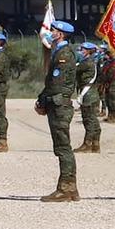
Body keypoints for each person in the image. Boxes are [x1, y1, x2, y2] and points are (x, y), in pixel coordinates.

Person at [36, 19, 80, 201]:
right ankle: (68, 188)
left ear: (60, 34)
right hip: (55, 103)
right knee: (61, 147)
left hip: (59, 105)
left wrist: (44, 101)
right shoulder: (58, 52)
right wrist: (42, 99)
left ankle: (67, 188)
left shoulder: (64, 54)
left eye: (52, 30)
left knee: (63, 148)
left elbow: (56, 84)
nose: (49, 32)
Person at [75, 42, 105, 153]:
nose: (81, 51)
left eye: (83, 49)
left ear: (89, 51)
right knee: (93, 119)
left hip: (88, 94)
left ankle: (87, 144)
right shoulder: (92, 61)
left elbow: (73, 70)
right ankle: (95, 143)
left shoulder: (87, 63)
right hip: (91, 93)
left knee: (88, 119)